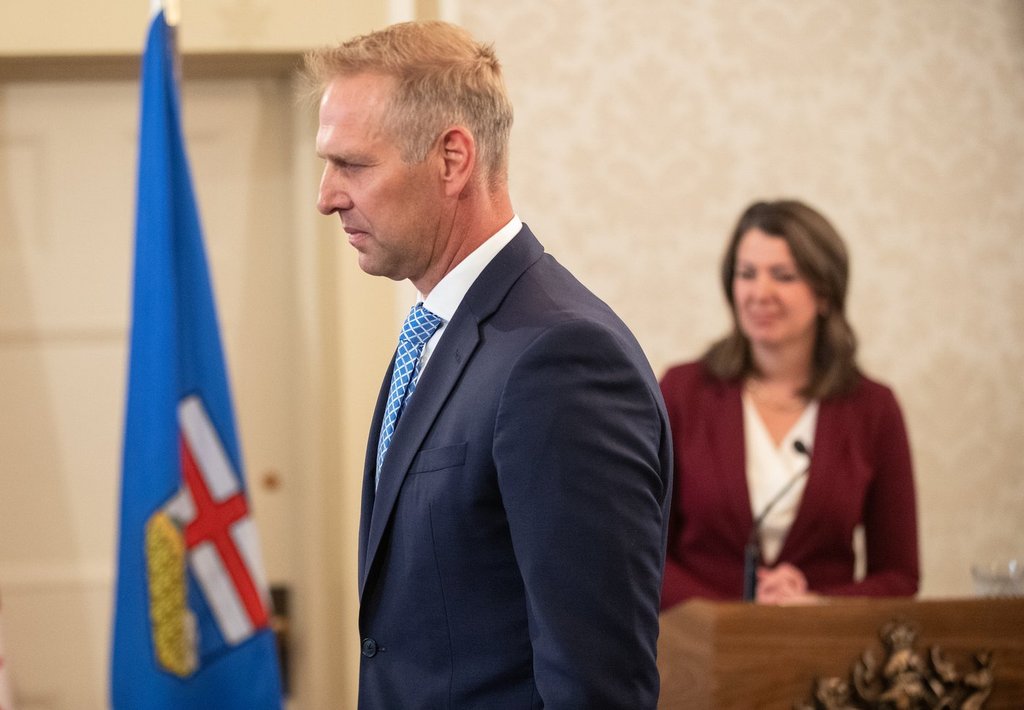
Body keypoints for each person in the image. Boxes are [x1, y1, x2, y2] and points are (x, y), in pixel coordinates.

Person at [304, 21, 672, 708]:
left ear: (452, 160)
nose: (325, 195)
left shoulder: (562, 360)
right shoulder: (436, 331)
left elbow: (598, 685)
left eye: (352, 164)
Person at [660, 200, 919, 608]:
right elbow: (644, 549)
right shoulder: (683, 391)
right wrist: (730, 618)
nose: (760, 293)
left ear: (825, 294)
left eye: (783, 276)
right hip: (697, 653)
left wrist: (818, 605)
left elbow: (899, 576)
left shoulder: (874, 409)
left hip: (822, 657)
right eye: (747, 274)